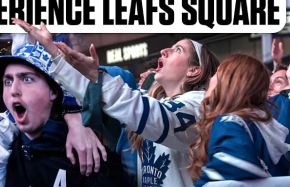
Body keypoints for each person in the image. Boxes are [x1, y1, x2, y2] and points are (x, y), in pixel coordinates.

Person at [12, 18, 220, 187]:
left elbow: (142, 111)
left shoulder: (199, 107)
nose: (165, 50)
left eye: (178, 50)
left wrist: (96, 76)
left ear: (194, 70)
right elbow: (98, 98)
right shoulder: (152, 101)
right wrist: (55, 55)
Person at [0, 42, 123, 186]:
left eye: (27, 79)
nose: (13, 90)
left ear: (53, 91)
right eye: (8, 81)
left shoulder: (91, 157)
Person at [189, 54, 290, 186]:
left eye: (216, 73)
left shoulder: (230, 122)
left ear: (228, 82)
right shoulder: (263, 126)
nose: (211, 78)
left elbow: (227, 175)